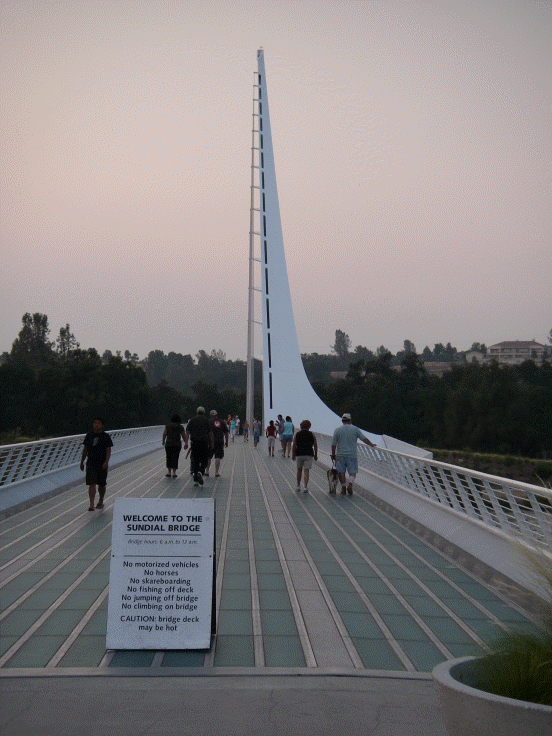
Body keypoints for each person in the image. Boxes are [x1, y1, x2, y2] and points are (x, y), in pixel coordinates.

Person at [331, 413, 376, 496]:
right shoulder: (355, 429)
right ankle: (350, 484)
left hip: (340, 455)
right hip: (352, 455)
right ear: (350, 420)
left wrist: (333, 454)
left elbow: (333, 444)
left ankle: (343, 489)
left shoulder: (337, 430)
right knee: (352, 471)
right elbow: (364, 439)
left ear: (342, 421)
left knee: (341, 472)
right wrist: (371, 444)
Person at [80, 417, 113, 511]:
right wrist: (82, 461)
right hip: (91, 463)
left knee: (102, 484)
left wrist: (106, 462)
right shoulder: (89, 436)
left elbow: (108, 451)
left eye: (98, 423)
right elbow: (85, 449)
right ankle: (91, 504)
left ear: (102, 425)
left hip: (101, 463)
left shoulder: (106, 437)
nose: (96, 424)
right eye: (94, 422)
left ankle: (101, 501)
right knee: (92, 483)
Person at [184, 407, 214, 486]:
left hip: (194, 443)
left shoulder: (192, 420)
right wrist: (212, 443)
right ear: (204, 413)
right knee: (204, 460)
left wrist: (186, 442)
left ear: (197, 412)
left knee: (195, 460)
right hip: (204, 442)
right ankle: (200, 473)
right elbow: (210, 433)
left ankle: (196, 480)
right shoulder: (206, 420)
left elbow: (187, 432)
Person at [292, 420, 318, 493]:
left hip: (299, 453)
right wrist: (316, 454)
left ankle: (298, 486)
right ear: (309, 426)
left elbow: (294, 445)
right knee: (306, 471)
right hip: (309, 453)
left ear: (301, 426)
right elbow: (315, 445)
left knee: (299, 470)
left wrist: (293, 454)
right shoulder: (312, 434)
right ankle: (305, 487)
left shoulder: (297, 434)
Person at [205, 409, 229, 477]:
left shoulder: (209, 422)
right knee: (218, 457)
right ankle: (216, 472)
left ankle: (207, 471)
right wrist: (226, 441)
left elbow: (206, 432)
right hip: (220, 441)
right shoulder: (221, 422)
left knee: (209, 457)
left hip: (210, 442)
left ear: (211, 415)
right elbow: (226, 432)